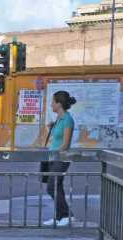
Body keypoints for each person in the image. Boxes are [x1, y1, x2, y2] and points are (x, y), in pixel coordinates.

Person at [43, 91, 77, 227]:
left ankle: (67, 215)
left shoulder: (67, 120)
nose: (51, 104)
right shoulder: (59, 119)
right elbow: (55, 140)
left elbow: (66, 144)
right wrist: (49, 129)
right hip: (53, 158)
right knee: (57, 187)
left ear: (59, 104)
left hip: (61, 159)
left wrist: (56, 155)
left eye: (52, 102)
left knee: (52, 187)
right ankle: (59, 217)